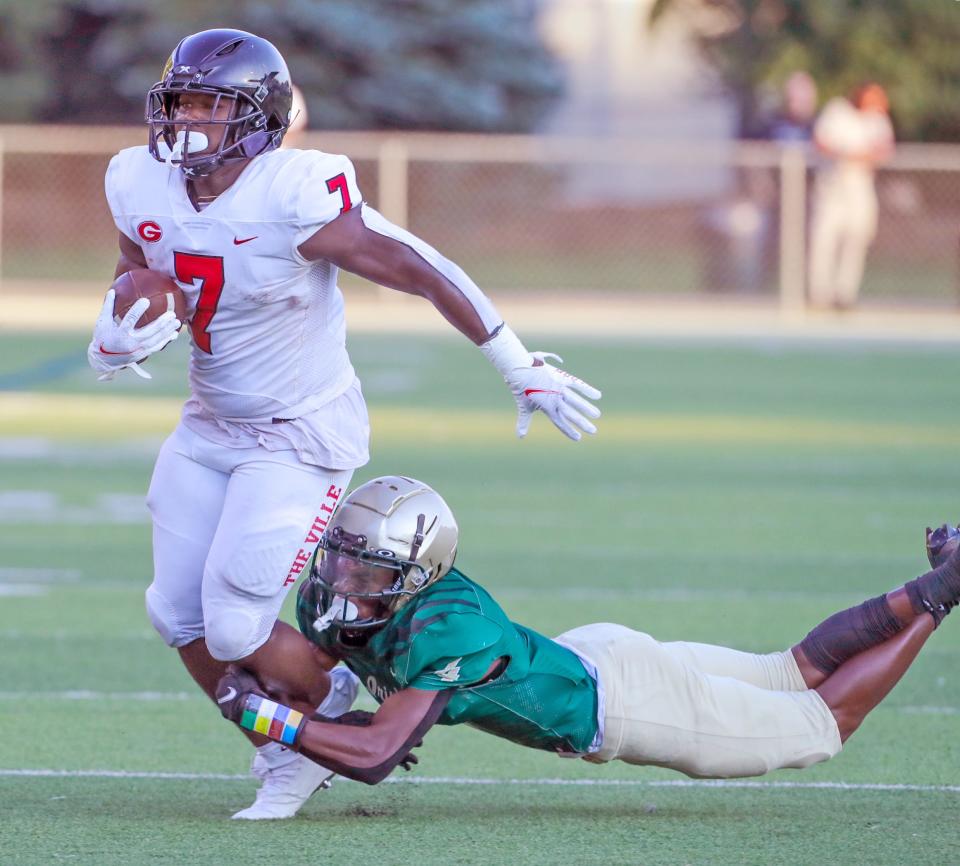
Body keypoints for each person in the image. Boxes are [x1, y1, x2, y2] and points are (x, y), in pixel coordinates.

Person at [85, 29, 601, 820]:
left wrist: (515, 361)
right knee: (174, 612)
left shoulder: (295, 192)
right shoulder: (136, 180)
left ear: (258, 116)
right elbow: (144, 269)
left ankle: (326, 700)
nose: (188, 121)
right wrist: (123, 325)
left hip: (299, 433)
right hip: (211, 423)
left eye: (211, 106)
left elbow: (419, 267)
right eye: (180, 101)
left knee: (232, 624)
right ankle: (281, 756)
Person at [216, 475, 960, 788]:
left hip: (620, 700)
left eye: (365, 568)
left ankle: (946, 586)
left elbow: (377, 754)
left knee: (821, 721)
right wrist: (257, 684)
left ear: (413, 573)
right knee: (789, 668)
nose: (343, 578)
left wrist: (260, 713)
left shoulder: (453, 629)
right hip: (593, 658)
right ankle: (942, 575)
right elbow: (324, 686)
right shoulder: (336, 602)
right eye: (341, 555)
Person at [808, 83, 895, 310]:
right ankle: (820, 294)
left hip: (860, 187)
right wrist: (847, 155)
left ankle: (844, 293)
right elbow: (821, 142)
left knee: (857, 237)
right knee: (824, 238)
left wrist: (860, 157)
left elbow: (884, 150)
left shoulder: (877, 120)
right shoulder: (837, 111)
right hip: (832, 187)